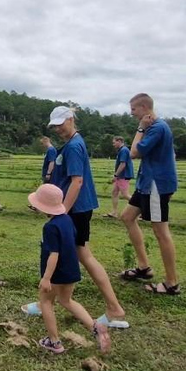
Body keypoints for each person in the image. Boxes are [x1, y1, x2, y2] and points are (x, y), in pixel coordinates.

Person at [22, 106, 128, 329]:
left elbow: (76, 182)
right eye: (55, 125)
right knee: (76, 255)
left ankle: (113, 308)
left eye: (61, 123)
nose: (58, 128)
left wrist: (61, 212)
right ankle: (110, 307)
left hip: (75, 210)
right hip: (75, 210)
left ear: (70, 119)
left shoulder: (73, 147)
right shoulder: (72, 144)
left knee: (71, 254)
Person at [28, 184, 111, 354]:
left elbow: (54, 254)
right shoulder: (67, 220)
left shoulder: (50, 227)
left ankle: (54, 342)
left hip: (56, 274)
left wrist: (46, 278)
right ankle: (95, 328)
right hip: (71, 270)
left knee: (45, 302)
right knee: (67, 301)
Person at [119, 93, 180, 295]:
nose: (132, 113)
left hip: (156, 186)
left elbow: (133, 152)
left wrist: (140, 129)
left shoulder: (156, 128)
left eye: (134, 110)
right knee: (127, 217)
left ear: (144, 107)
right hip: (146, 183)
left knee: (161, 232)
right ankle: (144, 267)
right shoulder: (155, 128)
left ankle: (172, 282)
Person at [105, 136, 134, 218]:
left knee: (125, 194)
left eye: (114, 143)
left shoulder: (124, 150)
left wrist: (115, 175)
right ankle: (114, 212)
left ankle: (142, 210)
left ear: (119, 141)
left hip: (123, 176)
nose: (113, 144)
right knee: (114, 193)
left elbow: (123, 164)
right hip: (120, 176)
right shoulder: (121, 150)